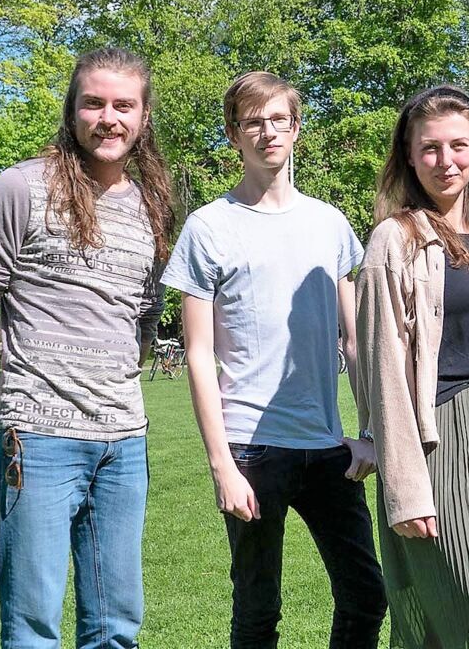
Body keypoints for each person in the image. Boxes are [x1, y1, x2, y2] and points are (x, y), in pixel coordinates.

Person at [0, 47, 172, 648]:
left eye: (124, 105)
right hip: (38, 439)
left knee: (116, 627)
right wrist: (1, 420)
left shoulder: (151, 206)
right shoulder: (20, 187)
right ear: (72, 111)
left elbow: (142, 318)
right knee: (31, 626)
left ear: (144, 116)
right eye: (93, 103)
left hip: (124, 442)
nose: (109, 118)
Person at [161, 71, 387, 648]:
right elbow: (198, 353)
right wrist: (222, 467)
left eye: (278, 120)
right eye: (252, 122)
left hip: (329, 447)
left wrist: (368, 431)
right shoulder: (208, 228)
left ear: (296, 128)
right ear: (234, 135)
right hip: (252, 449)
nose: (267, 132)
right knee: (258, 613)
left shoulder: (329, 224)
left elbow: (356, 338)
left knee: (366, 595)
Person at [357, 85, 469, 647]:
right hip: (437, 441)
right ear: (409, 156)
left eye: (458, 145)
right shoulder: (396, 239)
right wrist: (405, 490)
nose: (446, 160)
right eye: (430, 148)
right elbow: (381, 371)